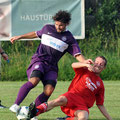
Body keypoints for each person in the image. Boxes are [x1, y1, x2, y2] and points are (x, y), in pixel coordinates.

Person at [9, 10, 92, 119]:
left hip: (52, 66)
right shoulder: (47, 28)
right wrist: (19, 37)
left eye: (61, 25)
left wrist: (85, 63)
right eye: (56, 24)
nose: (58, 27)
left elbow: (77, 55)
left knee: (48, 91)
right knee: (34, 81)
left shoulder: (69, 38)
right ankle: (15, 105)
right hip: (39, 61)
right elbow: (35, 34)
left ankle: (32, 112)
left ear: (67, 24)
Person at [25, 56, 112, 120]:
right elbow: (73, 64)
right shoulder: (85, 70)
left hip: (82, 105)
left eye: (101, 64)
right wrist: (84, 64)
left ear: (104, 68)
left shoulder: (100, 84)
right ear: (93, 62)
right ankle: (35, 111)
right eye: (97, 62)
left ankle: (65, 119)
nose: (98, 65)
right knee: (59, 100)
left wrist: (110, 119)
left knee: (84, 117)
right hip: (72, 96)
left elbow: (100, 104)